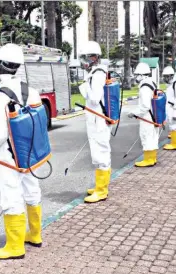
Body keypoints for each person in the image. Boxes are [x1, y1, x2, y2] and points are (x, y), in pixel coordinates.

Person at [0, 43, 43, 260]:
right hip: (30, 152)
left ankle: (15, 246)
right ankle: (34, 234)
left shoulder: (0, 97)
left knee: (11, 194)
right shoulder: (31, 91)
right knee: (31, 189)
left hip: (8, 155)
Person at [77, 41, 112, 204]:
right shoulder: (95, 72)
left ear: (93, 57)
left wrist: (83, 87)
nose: (82, 61)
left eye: (84, 57)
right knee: (98, 152)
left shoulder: (98, 74)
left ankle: (102, 190)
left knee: (101, 153)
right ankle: (100, 185)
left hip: (99, 119)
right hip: (96, 118)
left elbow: (94, 98)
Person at [127, 62, 160, 167]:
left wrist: (133, 112)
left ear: (141, 75)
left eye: (137, 75)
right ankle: (152, 158)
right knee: (153, 136)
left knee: (146, 136)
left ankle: (148, 160)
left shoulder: (144, 87)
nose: (136, 77)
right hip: (154, 114)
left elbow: (145, 106)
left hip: (147, 116)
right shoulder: (151, 83)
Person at [162, 66, 175, 138]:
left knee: (174, 123)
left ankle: (175, 142)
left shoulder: (175, 84)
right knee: (170, 120)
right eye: (164, 76)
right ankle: (171, 133)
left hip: (173, 106)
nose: (164, 78)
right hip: (169, 106)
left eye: (166, 76)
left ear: (171, 76)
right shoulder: (169, 85)